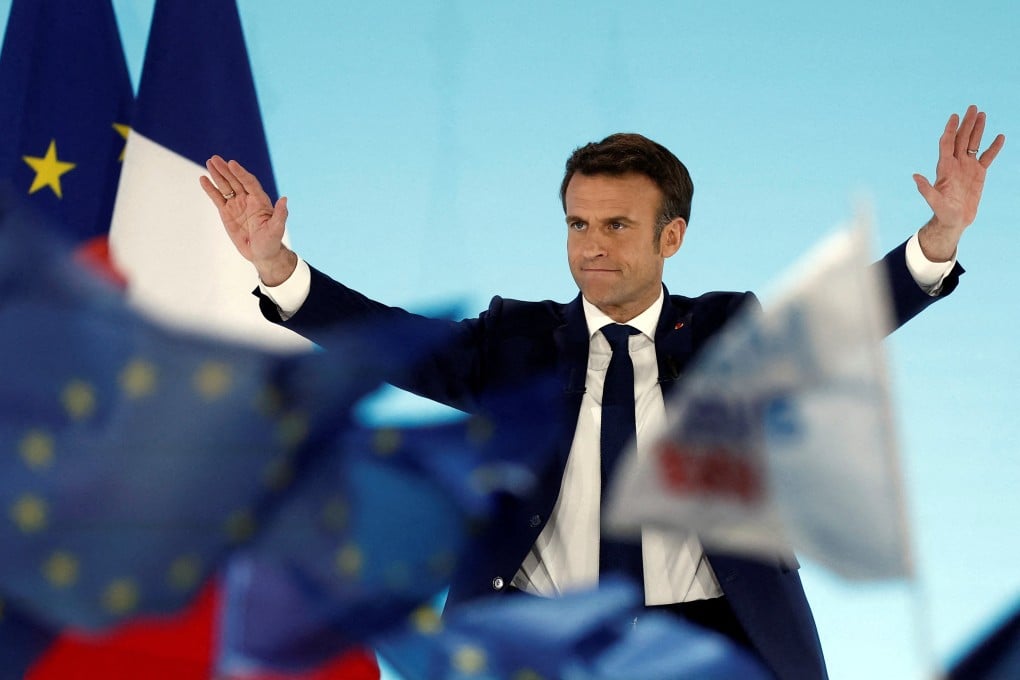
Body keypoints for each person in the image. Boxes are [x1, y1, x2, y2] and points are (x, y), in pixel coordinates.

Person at [200, 106, 1004, 680]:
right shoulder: (511, 343)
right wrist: (277, 268)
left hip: (708, 636)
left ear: (672, 237)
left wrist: (936, 243)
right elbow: (392, 342)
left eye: (617, 226)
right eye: (579, 225)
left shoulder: (728, 331)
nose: (591, 247)